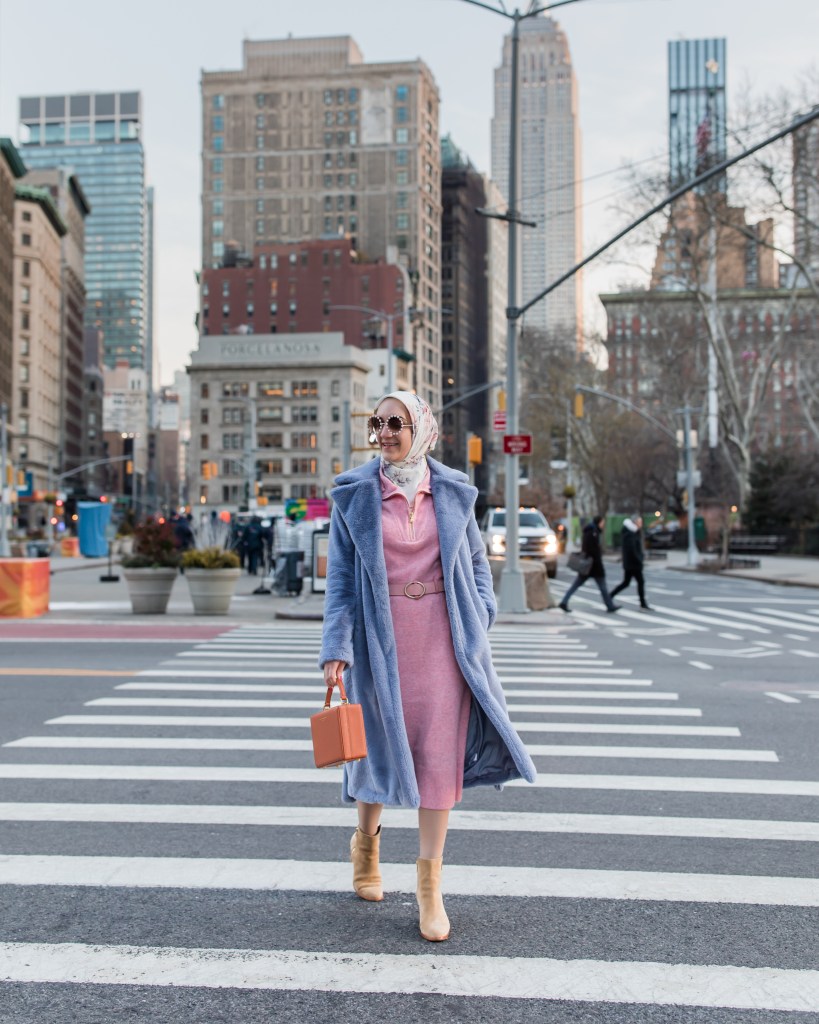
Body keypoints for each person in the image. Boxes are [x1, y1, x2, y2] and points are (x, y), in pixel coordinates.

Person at [319, 391, 536, 943]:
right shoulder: (354, 497)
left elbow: (479, 567)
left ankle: (429, 888)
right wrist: (336, 650)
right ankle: (365, 844)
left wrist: (480, 615)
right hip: (378, 642)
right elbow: (341, 585)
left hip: (445, 642)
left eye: (396, 422)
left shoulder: (455, 492)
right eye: (378, 423)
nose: (385, 431)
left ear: (422, 428)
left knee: (438, 759)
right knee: (377, 750)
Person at [558, 514, 621, 613]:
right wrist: (597, 561)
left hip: (588, 566)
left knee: (578, 585)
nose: (603, 524)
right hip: (592, 566)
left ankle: (564, 601)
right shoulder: (593, 532)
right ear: (599, 522)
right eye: (602, 522)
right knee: (602, 587)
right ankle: (610, 605)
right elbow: (592, 551)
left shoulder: (591, 531)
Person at [611, 513, 651, 610]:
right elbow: (632, 549)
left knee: (626, 582)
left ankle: (610, 595)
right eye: (639, 522)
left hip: (631, 563)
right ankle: (643, 604)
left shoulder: (632, 532)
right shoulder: (630, 533)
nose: (641, 524)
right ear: (635, 522)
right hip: (633, 564)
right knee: (639, 582)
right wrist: (639, 559)